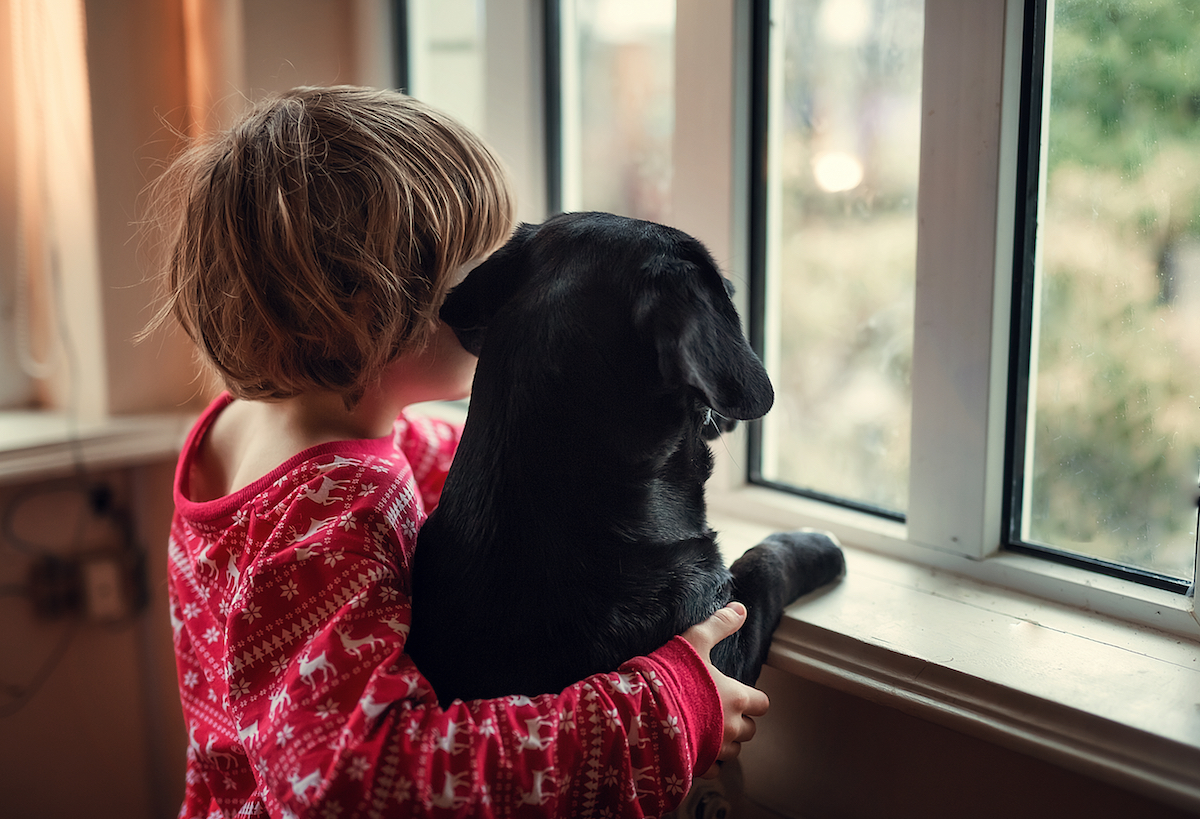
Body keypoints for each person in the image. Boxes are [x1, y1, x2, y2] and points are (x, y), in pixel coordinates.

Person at [145, 85, 769, 818]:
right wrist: (667, 709)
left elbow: (433, 461)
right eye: (481, 265)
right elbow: (366, 779)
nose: (513, 286)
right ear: (366, 305)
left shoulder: (248, 427)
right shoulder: (335, 510)